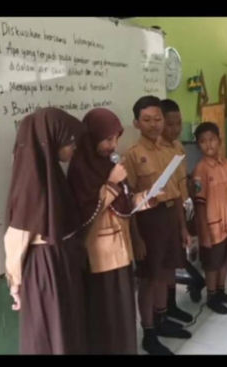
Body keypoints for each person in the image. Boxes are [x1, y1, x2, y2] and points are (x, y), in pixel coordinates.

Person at [68, 107, 159, 354]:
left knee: (123, 313)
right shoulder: (80, 170)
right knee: (106, 316)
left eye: (116, 138)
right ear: (92, 137)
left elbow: (124, 204)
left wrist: (146, 198)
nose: (113, 145)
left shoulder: (108, 164)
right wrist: (110, 182)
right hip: (100, 257)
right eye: (108, 139)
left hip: (121, 251)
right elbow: (85, 213)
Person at [4, 107, 87, 354]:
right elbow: (16, 238)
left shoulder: (52, 176)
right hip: (45, 268)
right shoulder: (32, 181)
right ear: (52, 140)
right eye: (70, 141)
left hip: (60, 263)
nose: (74, 148)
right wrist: (15, 284)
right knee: (52, 334)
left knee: (67, 331)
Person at [123, 96, 192, 355]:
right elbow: (126, 201)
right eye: (147, 120)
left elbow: (175, 194)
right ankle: (149, 332)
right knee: (148, 279)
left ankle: (162, 321)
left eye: (158, 119)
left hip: (170, 216)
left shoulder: (171, 150)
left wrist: (183, 229)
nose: (154, 125)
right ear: (136, 123)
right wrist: (137, 239)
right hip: (147, 222)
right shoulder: (132, 155)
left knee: (166, 273)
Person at [192, 122, 227, 315]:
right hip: (212, 225)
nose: (209, 145)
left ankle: (221, 292)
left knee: (225, 259)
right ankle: (212, 296)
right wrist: (203, 232)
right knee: (212, 263)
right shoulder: (201, 170)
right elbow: (199, 203)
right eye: (203, 142)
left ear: (219, 141)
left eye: (212, 140)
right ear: (198, 145)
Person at [160, 99, 205, 313]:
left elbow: (181, 180)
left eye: (179, 123)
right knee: (167, 263)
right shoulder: (156, 151)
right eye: (170, 124)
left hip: (184, 207)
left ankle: (172, 305)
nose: (176, 129)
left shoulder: (178, 146)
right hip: (168, 211)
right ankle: (165, 308)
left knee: (178, 257)